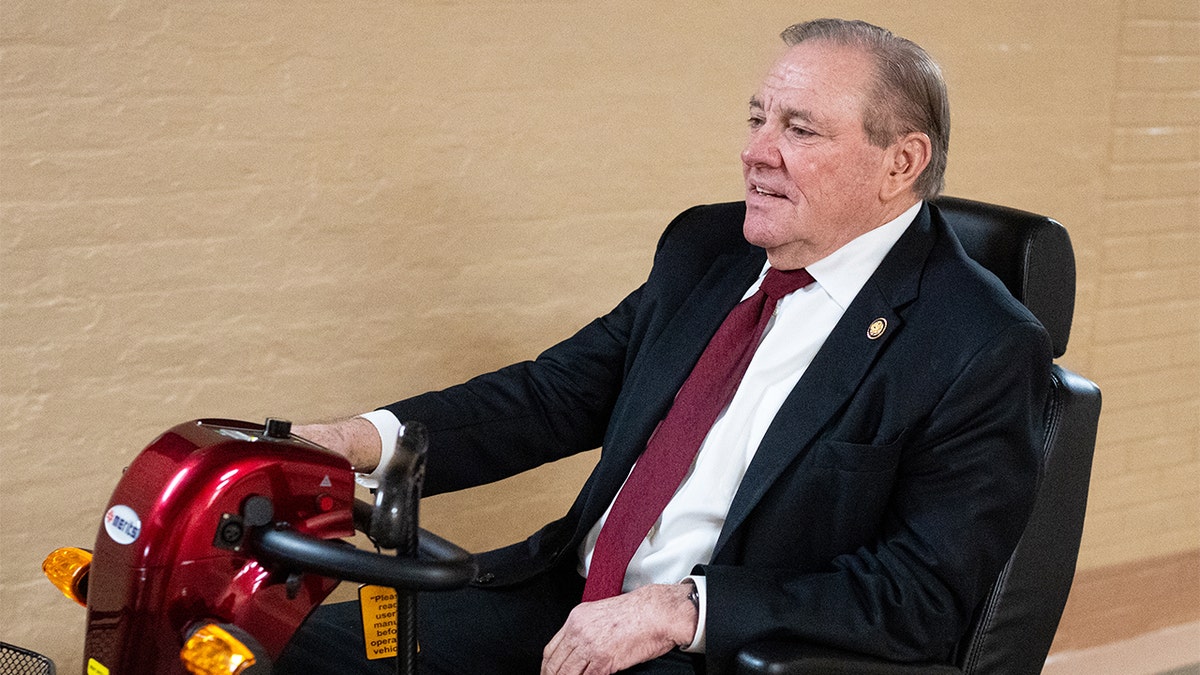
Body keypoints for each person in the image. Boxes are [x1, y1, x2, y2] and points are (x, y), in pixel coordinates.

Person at [275, 18, 1051, 675]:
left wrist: (683, 608)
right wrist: (352, 442)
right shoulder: (708, 248)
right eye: (757, 119)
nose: (757, 151)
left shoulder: (977, 344)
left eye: (799, 129)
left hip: (717, 650)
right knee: (276, 652)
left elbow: (922, 595)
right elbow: (552, 397)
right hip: (564, 594)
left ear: (901, 163)